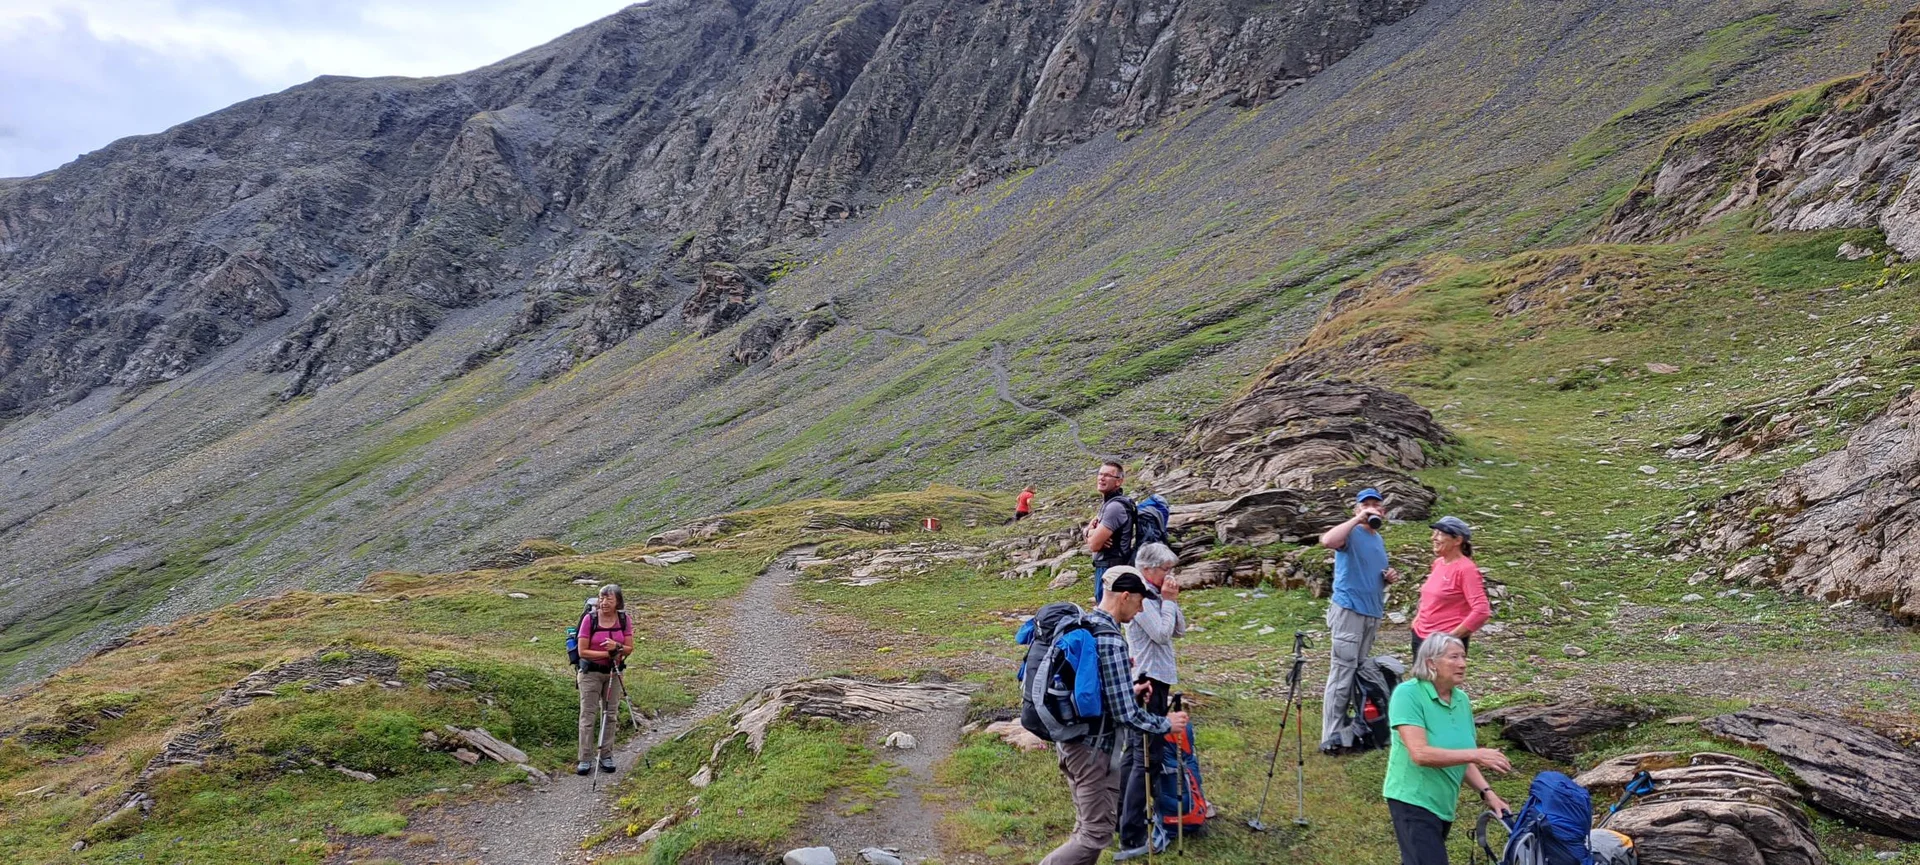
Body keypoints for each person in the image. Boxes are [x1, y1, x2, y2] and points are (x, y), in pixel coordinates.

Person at [1037, 571, 1189, 865]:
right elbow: (1126, 715)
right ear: (1125, 597)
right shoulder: (1111, 640)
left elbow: (1099, 692)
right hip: (1092, 750)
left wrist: (1130, 690)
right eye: (1140, 602)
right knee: (1093, 835)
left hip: (1075, 743)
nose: (1141, 609)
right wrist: (1166, 724)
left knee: (1089, 827)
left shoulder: (1090, 625)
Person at [1383, 633, 1512, 865]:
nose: (1462, 663)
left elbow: (1462, 758)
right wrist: (1476, 754)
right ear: (1431, 662)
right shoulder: (1408, 694)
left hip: (1443, 803)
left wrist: (1488, 793)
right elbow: (1420, 754)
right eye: (1454, 657)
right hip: (1412, 799)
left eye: (1464, 656)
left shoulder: (1461, 700)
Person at [1113, 549, 1187, 858]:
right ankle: (1132, 833)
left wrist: (1170, 601)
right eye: (1165, 569)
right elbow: (1160, 634)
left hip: (1158, 678)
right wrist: (1167, 602)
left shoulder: (1156, 595)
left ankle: (1119, 820)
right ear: (1148, 569)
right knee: (1147, 757)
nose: (1170, 576)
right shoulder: (1139, 597)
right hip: (1147, 680)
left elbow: (1179, 630)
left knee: (1135, 754)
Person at [1317, 487, 1401, 754]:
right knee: (1342, 671)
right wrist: (1357, 519)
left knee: (1359, 671)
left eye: (1376, 504)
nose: (1372, 508)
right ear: (1357, 509)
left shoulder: (1378, 539)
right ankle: (1331, 737)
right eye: (1366, 504)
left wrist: (1387, 577)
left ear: (1383, 511)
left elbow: (1369, 572)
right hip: (1349, 610)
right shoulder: (1351, 532)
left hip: (1371, 612)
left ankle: (1353, 728)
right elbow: (1327, 541)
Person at [1410, 516, 1491, 658]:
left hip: (1444, 643)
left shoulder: (1466, 569)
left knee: (1440, 674)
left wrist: (1451, 638)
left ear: (1457, 540)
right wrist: (1416, 621)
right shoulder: (1438, 563)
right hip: (1421, 637)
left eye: (1440, 534)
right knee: (1421, 673)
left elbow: (1482, 610)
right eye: (1434, 533)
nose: (1433, 538)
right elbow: (1429, 597)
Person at [575, 584, 633, 776]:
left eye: (609, 598)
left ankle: (606, 755)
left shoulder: (624, 620)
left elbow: (629, 648)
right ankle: (585, 758)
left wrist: (616, 646)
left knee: (610, 714)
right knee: (588, 715)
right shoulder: (589, 619)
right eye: (601, 598)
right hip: (590, 674)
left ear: (618, 602)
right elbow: (582, 651)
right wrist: (608, 654)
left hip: (614, 673)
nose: (604, 602)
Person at [1085, 462, 1135, 604]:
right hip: (1106, 566)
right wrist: (1090, 532)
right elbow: (1090, 533)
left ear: (1119, 481)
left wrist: (1092, 535)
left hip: (1111, 569)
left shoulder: (1115, 507)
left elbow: (1094, 545)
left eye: (1107, 475)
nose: (1101, 478)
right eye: (1100, 474)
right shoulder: (1108, 504)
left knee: (1108, 612)